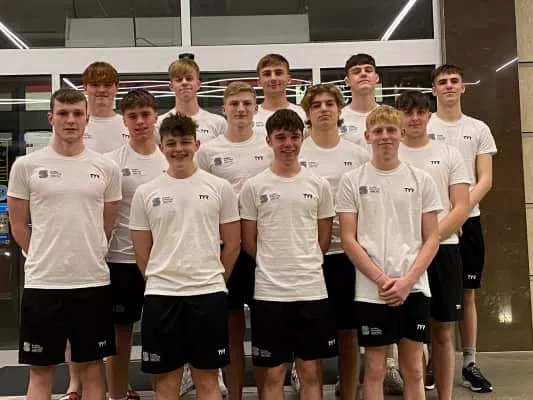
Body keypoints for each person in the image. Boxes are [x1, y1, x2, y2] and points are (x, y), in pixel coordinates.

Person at [7, 88, 121, 400]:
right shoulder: (26, 166)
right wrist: (43, 254)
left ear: (87, 119)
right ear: (51, 118)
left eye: (77, 114)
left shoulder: (106, 168)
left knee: (92, 370)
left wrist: (87, 250)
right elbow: (18, 225)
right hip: (44, 283)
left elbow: (107, 223)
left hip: (92, 282)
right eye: (63, 113)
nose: (70, 120)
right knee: (41, 372)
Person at [129, 113, 241, 400]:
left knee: (208, 381)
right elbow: (141, 250)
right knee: (166, 383)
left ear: (197, 144)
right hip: (162, 296)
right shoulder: (145, 192)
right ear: (161, 147)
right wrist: (160, 279)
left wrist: (216, 278)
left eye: (185, 142)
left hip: (208, 293)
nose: (178, 149)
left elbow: (232, 244)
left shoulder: (220, 188)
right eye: (171, 143)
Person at [337, 105, 442, 400]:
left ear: (402, 134)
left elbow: (432, 238)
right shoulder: (352, 180)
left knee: (414, 370)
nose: (385, 136)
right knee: (374, 370)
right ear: (367, 136)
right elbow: (348, 239)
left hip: (414, 287)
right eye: (378, 131)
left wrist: (407, 281)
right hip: (372, 291)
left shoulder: (421, 179)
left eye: (391, 130)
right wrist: (382, 280)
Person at [239, 109, 337, 400]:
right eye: (281, 137)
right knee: (273, 374)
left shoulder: (318, 185)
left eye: (294, 137)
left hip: (311, 289)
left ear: (302, 138)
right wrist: (274, 265)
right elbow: (249, 242)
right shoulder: (254, 186)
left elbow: (322, 240)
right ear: (269, 140)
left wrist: (302, 262)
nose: (288, 144)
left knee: (310, 371)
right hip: (269, 292)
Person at [196, 81, 272, 400]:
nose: (241, 109)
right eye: (234, 104)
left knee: (266, 334)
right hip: (224, 249)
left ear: (255, 108)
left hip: (263, 250)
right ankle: (236, 394)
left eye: (246, 103)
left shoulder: (269, 147)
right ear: (224, 109)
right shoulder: (208, 151)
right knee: (231, 331)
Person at [427, 64, 497, 393]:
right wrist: (444, 219)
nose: (449, 86)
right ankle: (432, 360)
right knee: (428, 292)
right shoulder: (424, 125)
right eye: (442, 82)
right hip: (431, 223)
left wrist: (459, 212)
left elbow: (485, 179)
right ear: (434, 90)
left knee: (467, 293)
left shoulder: (478, 128)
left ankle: (469, 362)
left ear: (463, 87)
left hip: (468, 221)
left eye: (454, 81)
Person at [397, 90, 471, 400]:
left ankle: (445, 396)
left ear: (429, 116)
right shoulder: (391, 153)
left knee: (442, 330)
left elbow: (461, 205)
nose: (414, 118)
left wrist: (432, 239)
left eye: (420, 112)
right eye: (408, 112)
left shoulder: (449, 154)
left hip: (444, 249)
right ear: (399, 117)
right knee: (408, 334)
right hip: (402, 253)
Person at [299, 83, 369, 400]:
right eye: (317, 105)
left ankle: (349, 392)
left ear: (340, 110)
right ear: (308, 113)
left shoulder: (358, 154)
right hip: (307, 256)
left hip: (347, 255)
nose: (324, 109)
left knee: (347, 332)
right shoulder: (298, 152)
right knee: (308, 333)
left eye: (330, 103)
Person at [104, 89, 168, 400]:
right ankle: (117, 395)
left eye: (145, 115)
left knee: (161, 336)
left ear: (156, 117)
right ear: (124, 121)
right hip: (122, 260)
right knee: (120, 336)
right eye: (133, 116)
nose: (140, 121)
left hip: (164, 261)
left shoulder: (170, 157)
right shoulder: (111, 163)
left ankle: (164, 395)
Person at [155, 57, 227, 145]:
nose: (184, 82)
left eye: (189, 78)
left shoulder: (218, 123)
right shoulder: (159, 123)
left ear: (198, 84)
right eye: (179, 80)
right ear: (171, 86)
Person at [82, 61, 130, 153]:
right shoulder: (75, 125)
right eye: (95, 85)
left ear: (117, 87)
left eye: (107, 85)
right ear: (85, 87)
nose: (101, 90)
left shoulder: (129, 125)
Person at [253, 53, 306, 135]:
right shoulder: (250, 117)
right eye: (267, 74)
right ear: (259, 82)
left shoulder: (304, 115)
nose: (273, 78)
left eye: (278, 73)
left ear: (289, 79)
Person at [340, 53, 379, 150]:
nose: (363, 74)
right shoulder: (337, 119)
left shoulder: (392, 117)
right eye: (356, 71)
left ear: (377, 78)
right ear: (347, 81)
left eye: (368, 70)